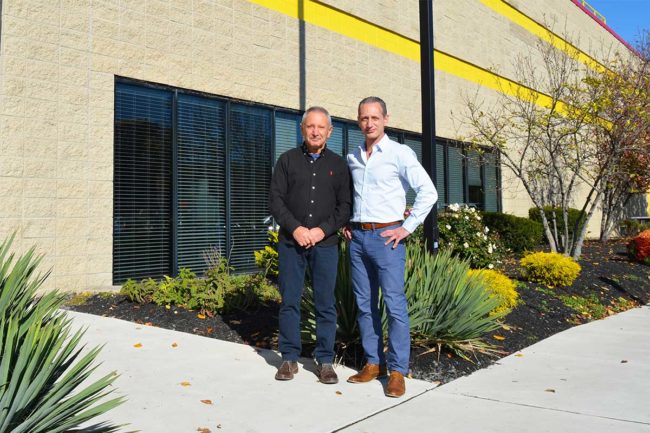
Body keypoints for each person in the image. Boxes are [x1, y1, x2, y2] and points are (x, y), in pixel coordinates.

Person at [344, 96, 437, 397]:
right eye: (363, 118)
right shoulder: (353, 157)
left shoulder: (399, 153)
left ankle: (397, 371)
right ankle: (373, 363)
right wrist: (347, 221)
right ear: (358, 121)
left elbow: (428, 191)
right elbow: (350, 196)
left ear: (385, 118)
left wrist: (406, 228)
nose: (368, 123)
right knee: (364, 304)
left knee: (395, 306)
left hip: (387, 238)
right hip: (357, 239)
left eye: (374, 117)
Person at [270, 106, 351, 384]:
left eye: (321, 127)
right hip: (291, 244)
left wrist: (320, 231)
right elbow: (276, 201)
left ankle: (325, 361)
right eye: (310, 126)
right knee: (290, 301)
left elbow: (345, 207)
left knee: (325, 303)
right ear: (302, 129)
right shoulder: (287, 161)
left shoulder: (339, 166)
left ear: (329, 131)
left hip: (325, 244)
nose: (315, 131)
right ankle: (289, 359)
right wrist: (297, 229)